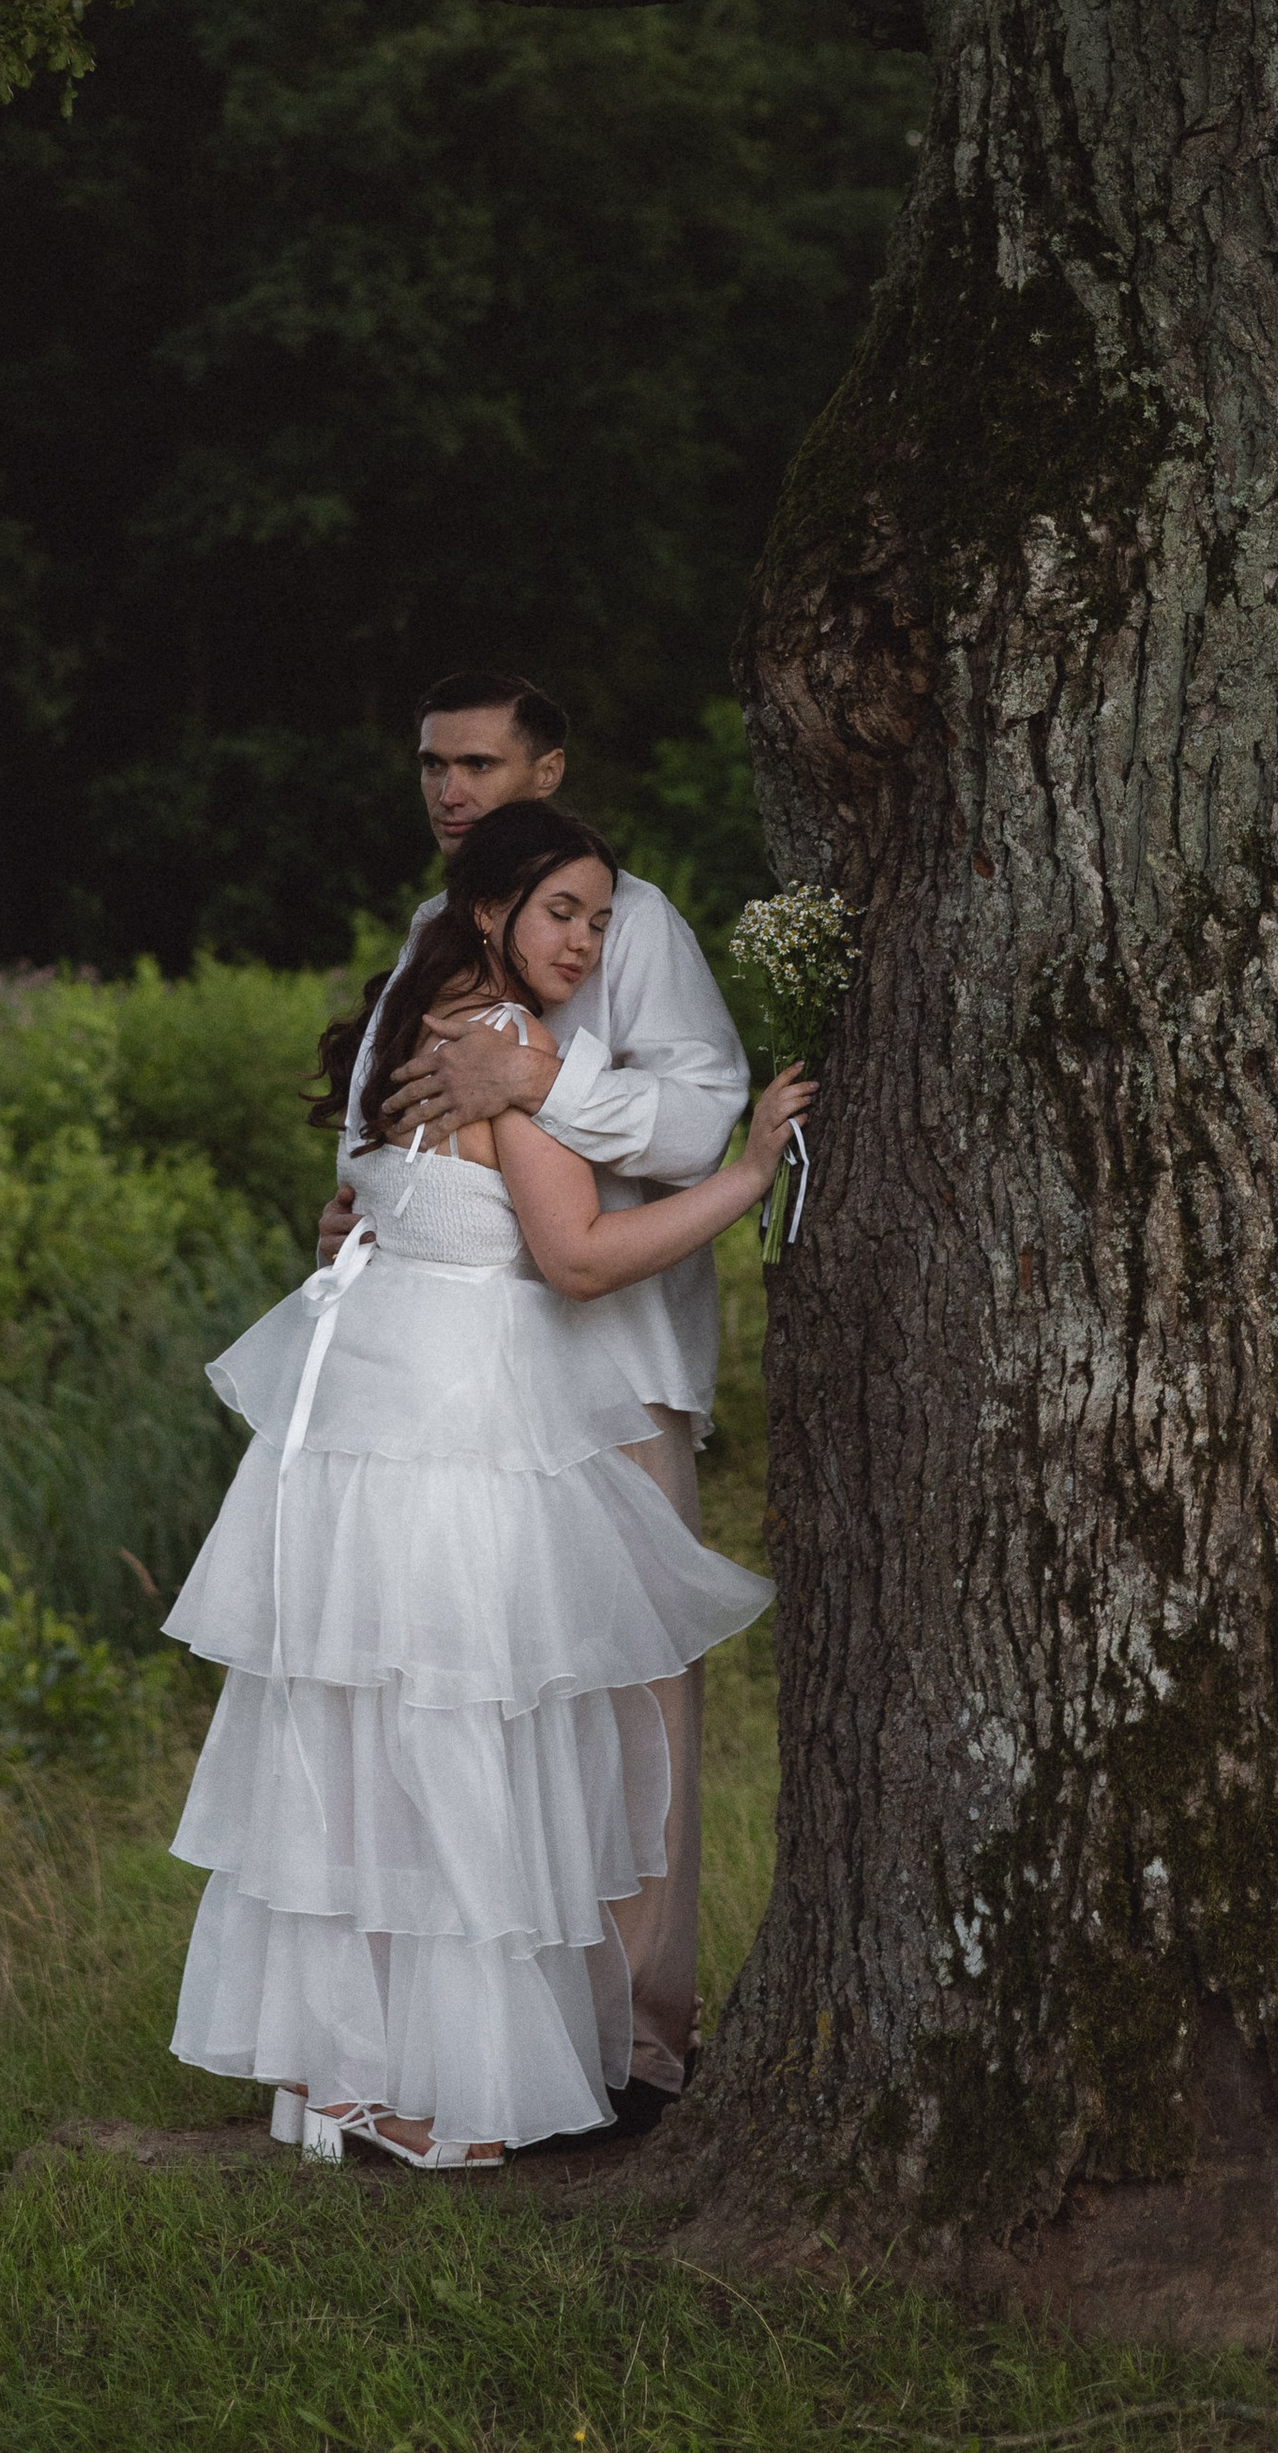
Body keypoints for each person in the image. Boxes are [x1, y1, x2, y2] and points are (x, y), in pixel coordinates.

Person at [163, 800, 813, 2170]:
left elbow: (377, 1189)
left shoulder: (425, 1021)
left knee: (372, 1736)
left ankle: (346, 2072)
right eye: (560, 912)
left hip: (374, 1416)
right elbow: (577, 1258)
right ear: (488, 916)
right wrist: (753, 1169)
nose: (586, 938)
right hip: (454, 1428)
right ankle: (402, 2085)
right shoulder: (504, 1041)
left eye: (597, 914)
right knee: (455, 1732)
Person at [316, 669, 750, 2123]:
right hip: (454, 1393)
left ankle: (640, 2043)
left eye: (482, 763)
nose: (452, 791)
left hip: (610, 1370)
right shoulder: (424, 946)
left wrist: (540, 1087)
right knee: (479, 1705)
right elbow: (399, 1111)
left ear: (549, 766)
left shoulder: (630, 926)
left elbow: (699, 1116)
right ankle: (503, 2031)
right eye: (433, 766)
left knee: (633, 1711)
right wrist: (359, 1208)